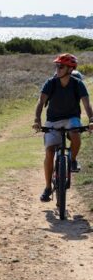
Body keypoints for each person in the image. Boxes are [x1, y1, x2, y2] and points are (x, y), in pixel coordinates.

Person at [33, 53, 93, 202]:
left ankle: (72, 159)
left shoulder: (78, 84)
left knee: (75, 134)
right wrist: (37, 120)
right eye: (57, 66)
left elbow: (86, 104)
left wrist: (92, 119)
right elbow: (41, 102)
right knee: (49, 152)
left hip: (71, 118)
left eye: (61, 66)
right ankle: (47, 187)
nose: (57, 69)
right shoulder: (51, 83)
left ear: (70, 69)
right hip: (53, 120)